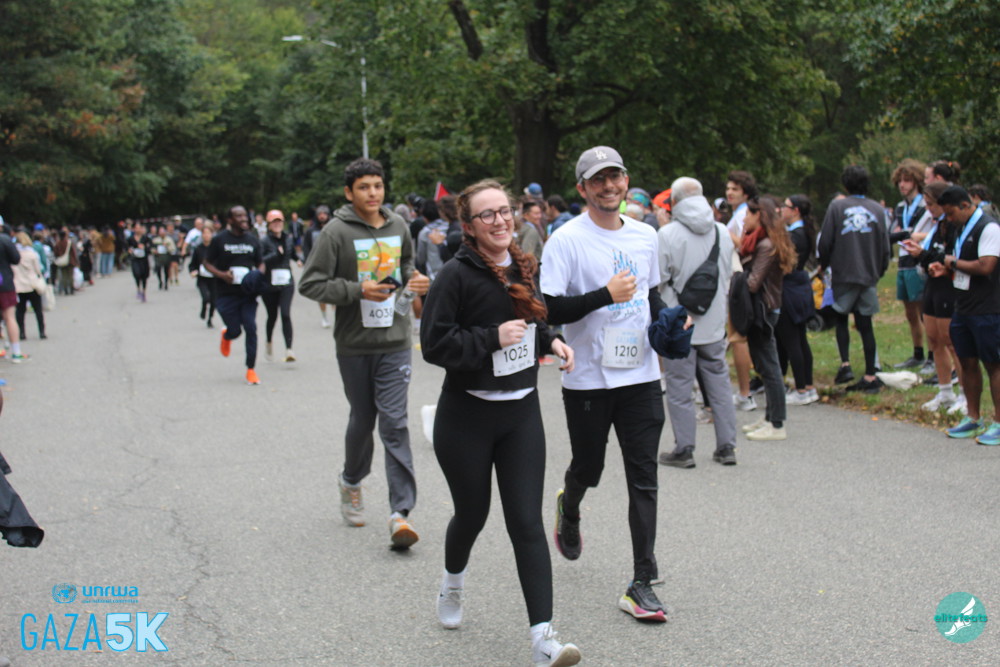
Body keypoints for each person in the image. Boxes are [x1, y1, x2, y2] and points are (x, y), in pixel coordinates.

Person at [420, 180, 580, 667]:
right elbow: (434, 344)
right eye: (486, 214)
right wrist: (491, 338)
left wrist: (551, 341)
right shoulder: (454, 275)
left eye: (504, 211)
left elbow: (533, 322)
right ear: (468, 226)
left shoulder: (523, 264)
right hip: (466, 415)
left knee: (527, 523)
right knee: (471, 515)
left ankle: (544, 639)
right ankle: (452, 584)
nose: (500, 220)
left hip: (521, 414)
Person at [541, 145, 671, 622]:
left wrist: (669, 324)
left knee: (644, 478)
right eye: (598, 180)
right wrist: (603, 296)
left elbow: (650, 295)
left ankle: (642, 582)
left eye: (615, 177)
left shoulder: (645, 235)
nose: (608, 186)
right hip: (589, 381)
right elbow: (549, 308)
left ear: (626, 180)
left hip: (641, 375)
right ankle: (570, 504)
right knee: (589, 468)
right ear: (582, 188)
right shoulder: (565, 240)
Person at [298, 158, 430, 548]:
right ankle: (351, 480)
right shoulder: (335, 232)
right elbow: (310, 284)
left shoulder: (399, 225)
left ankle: (400, 513)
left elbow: (407, 265)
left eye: (378, 185)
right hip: (354, 344)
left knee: (394, 422)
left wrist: (414, 280)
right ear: (349, 192)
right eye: (364, 187)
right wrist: (358, 290)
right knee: (362, 418)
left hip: (395, 341)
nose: (373, 193)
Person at [657, 177, 738, 467]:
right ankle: (727, 447)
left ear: (674, 202)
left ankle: (685, 449)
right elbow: (726, 273)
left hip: (680, 323)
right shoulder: (722, 231)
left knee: (680, 387)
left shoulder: (667, 234)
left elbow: (659, 278)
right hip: (713, 323)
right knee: (719, 386)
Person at [923, 187, 1000, 444]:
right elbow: (961, 267)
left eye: (951, 213)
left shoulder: (989, 228)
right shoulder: (960, 228)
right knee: (967, 363)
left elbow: (986, 266)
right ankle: (973, 418)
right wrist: (946, 271)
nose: (949, 219)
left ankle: (999, 422)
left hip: (988, 309)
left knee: (994, 365)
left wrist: (951, 263)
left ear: (965, 205)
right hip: (963, 306)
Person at [817, 165, 891, 393]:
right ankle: (870, 374)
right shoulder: (878, 210)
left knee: (841, 317)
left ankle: (845, 364)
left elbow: (825, 240)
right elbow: (885, 244)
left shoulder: (837, 207)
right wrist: (879, 270)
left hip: (844, 272)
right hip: (868, 274)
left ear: (845, 184)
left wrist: (824, 264)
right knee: (865, 323)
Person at [900, 182, 964, 413]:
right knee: (934, 340)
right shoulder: (937, 226)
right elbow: (933, 255)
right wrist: (920, 255)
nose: (928, 210)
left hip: (949, 288)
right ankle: (945, 392)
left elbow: (950, 257)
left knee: (952, 343)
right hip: (932, 286)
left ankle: (965, 396)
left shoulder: (955, 226)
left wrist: (924, 254)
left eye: (930, 205)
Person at [739, 197, 796, 439]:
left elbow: (753, 283)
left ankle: (777, 424)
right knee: (764, 366)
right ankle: (769, 417)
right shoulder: (762, 241)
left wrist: (736, 277)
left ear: (759, 216)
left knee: (770, 367)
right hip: (763, 309)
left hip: (763, 310)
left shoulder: (766, 245)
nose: (744, 219)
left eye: (748, 214)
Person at [203, 205, 265, 385]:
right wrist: (222, 275)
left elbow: (261, 263)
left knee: (251, 328)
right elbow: (207, 262)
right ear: (230, 220)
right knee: (235, 330)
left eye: (245, 215)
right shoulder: (220, 240)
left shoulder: (252, 240)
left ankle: (251, 369)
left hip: (247, 293)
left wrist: (257, 275)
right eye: (239, 216)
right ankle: (227, 335)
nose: (244, 219)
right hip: (226, 293)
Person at [776, 195, 818, 405]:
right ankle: (807, 386)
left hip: (790, 289)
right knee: (800, 339)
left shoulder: (795, 236)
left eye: (785, 207)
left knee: (792, 340)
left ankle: (801, 388)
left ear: (795, 211)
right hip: (799, 287)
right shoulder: (803, 232)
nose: (782, 210)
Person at [889, 159, 930, 370]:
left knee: (924, 311)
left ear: (916, 181)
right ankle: (917, 353)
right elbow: (895, 231)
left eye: (907, 180)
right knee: (910, 312)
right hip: (903, 260)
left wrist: (914, 235)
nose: (902, 185)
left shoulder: (925, 205)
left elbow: (931, 231)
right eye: (900, 181)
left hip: (919, 259)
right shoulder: (899, 207)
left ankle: (933, 356)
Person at [724, 170, 758, 410]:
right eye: (728, 188)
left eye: (735, 189)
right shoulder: (738, 213)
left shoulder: (745, 214)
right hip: (738, 278)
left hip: (739, 279)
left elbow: (747, 246)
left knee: (738, 337)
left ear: (745, 193)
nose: (729, 193)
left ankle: (745, 393)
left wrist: (726, 235)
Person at [260, 209, 301, 362]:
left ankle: (289, 349)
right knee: (272, 316)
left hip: (286, 282)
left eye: (279, 221)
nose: (277, 224)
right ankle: (269, 342)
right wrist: (275, 255)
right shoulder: (264, 241)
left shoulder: (288, 239)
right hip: (269, 284)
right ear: (269, 225)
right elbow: (260, 260)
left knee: (285, 314)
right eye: (274, 222)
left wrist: (299, 260)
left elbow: (292, 254)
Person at [303, 205, 333, 328]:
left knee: (336, 290)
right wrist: (307, 263)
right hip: (318, 265)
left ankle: (337, 316)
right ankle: (324, 316)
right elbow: (306, 247)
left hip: (334, 263)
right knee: (322, 292)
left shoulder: (334, 228)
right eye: (320, 214)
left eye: (324, 213)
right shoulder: (310, 231)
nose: (322, 216)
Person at [12, 232, 45, 340]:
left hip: (19, 285)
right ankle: (41, 331)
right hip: (32, 284)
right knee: (38, 310)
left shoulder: (14, 255)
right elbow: (38, 270)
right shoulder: (32, 254)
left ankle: (22, 332)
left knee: (20, 311)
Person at [0, 229, 24, 362]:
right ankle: (16, 352)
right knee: (9, 317)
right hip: (5, 282)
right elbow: (16, 259)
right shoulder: (4, 239)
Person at [188, 225, 217, 328]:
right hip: (202, 278)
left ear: (212, 234)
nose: (206, 235)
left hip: (214, 278)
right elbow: (192, 264)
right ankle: (204, 308)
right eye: (204, 233)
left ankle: (210, 319)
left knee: (214, 300)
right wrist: (193, 271)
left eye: (208, 233)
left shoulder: (216, 249)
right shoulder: (198, 249)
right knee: (206, 297)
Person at [128, 223, 152, 302]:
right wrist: (129, 250)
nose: (138, 229)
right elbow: (127, 247)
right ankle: (138, 288)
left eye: (139, 228)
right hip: (135, 259)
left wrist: (144, 248)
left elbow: (151, 248)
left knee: (144, 275)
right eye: (136, 228)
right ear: (134, 229)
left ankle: (144, 292)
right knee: (137, 274)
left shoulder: (146, 238)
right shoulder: (131, 239)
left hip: (144, 259)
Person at [151, 225, 177, 291]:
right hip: (158, 257)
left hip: (166, 256)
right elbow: (151, 248)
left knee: (166, 270)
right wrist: (154, 251)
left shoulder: (169, 240)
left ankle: (166, 283)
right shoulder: (156, 240)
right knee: (158, 269)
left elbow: (173, 248)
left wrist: (167, 247)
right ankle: (160, 281)